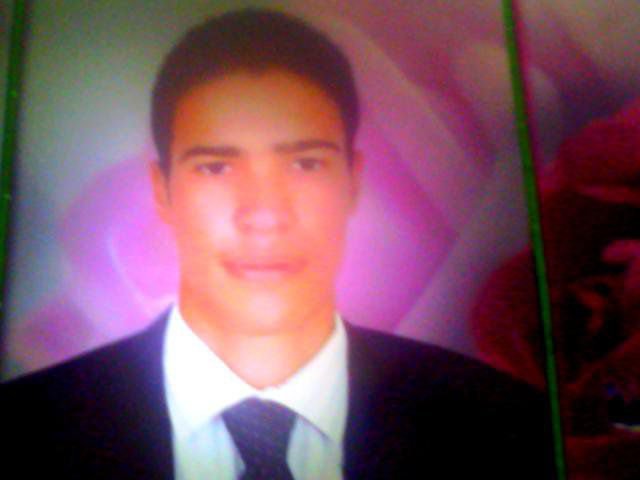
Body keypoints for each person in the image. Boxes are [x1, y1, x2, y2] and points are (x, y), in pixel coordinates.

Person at [0, 8, 555, 479]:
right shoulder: (27, 432)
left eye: (305, 164)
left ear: (353, 181)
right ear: (162, 191)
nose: (264, 214)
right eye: (215, 167)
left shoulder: (510, 429)